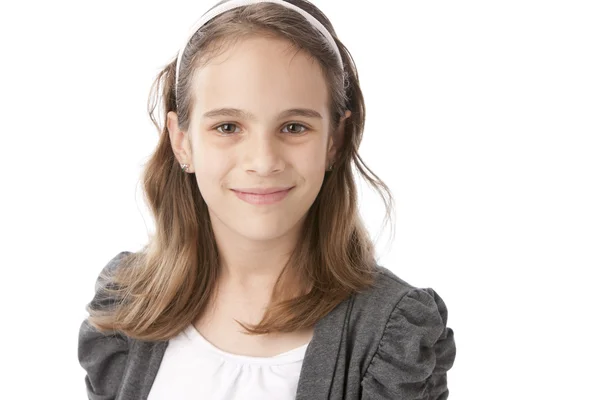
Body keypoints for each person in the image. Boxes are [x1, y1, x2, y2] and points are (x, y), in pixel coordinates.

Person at [77, 0, 457, 399]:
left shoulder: (391, 337)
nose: (262, 162)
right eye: (228, 127)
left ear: (335, 140)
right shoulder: (129, 309)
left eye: (294, 127)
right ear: (181, 140)